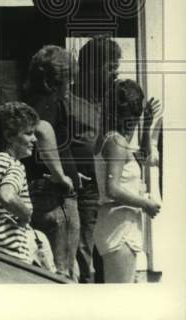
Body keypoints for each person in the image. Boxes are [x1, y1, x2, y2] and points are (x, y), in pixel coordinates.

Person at [93, 79, 161, 283]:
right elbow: (112, 189)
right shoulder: (117, 142)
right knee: (120, 299)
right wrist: (145, 203)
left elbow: (141, 159)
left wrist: (147, 126)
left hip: (116, 220)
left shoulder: (108, 138)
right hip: (119, 225)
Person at [22, 45, 80, 281]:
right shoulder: (47, 103)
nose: (72, 85)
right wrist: (60, 175)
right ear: (54, 82)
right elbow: (43, 131)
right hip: (56, 197)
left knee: (52, 269)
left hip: (46, 194)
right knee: (62, 272)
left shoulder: (35, 101)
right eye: (69, 80)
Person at [70, 36, 121, 283]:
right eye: (110, 67)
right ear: (91, 67)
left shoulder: (110, 103)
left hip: (112, 195)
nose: (115, 74)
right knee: (86, 263)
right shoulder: (67, 103)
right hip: (85, 194)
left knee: (110, 259)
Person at [0, 101, 46, 266]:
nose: (35, 139)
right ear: (9, 136)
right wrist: (26, 214)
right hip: (13, 256)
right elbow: (7, 196)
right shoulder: (13, 165)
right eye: (29, 133)